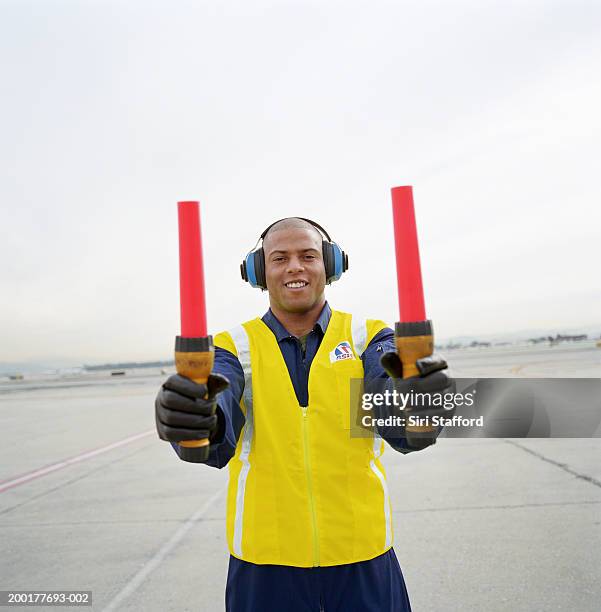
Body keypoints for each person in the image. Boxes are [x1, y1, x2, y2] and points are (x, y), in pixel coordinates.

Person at [155, 217, 454, 612]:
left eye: (308, 255)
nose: (294, 266)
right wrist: (194, 415)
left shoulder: (368, 338)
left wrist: (418, 407)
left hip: (362, 554)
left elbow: (391, 403)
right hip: (265, 562)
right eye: (279, 258)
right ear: (259, 272)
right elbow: (217, 410)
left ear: (329, 265)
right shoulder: (231, 348)